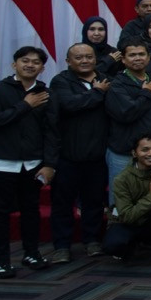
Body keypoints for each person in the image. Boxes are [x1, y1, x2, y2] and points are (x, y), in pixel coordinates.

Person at [0, 46, 57, 277]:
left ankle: (31, 253)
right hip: (1, 162)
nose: (30, 65)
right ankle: (1, 261)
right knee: (0, 213)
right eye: (25, 60)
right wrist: (25, 105)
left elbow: (52, 131)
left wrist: (50, 164)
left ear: (42, 68)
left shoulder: (46, 94)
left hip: (33, 162)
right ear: (14, 64)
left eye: (36, 62)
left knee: (30, 210)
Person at [47, 43, 110, 262]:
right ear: (68, 61)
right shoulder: (60, 81)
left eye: (89, 57)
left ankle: (92, 240)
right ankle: (61, 246)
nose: (85, 61)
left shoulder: (105, 79)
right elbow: (70, 104)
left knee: (94, 201)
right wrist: (98, 93)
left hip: (97, 155)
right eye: (79, 57)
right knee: (63, 203)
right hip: (68, 155)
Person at [105, 40, 151, 188]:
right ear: (123, 59)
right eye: (132, 55)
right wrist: (146, 93)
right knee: (122, 198)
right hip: (127, 154)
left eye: (141, 54)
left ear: (149, 58)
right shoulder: (117, 85)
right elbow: (126, 114)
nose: (137, 58)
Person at [104, 133, 151, 264]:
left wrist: (139, 210)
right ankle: (132, 246)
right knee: (112, 245)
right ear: (134, 153)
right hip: (128, 223)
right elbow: (127, 216)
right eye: (145, 150)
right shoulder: (122, 179)